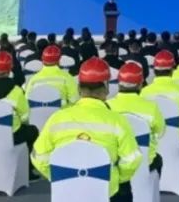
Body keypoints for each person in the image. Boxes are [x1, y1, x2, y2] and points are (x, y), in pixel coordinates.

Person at [33, 57, 142, 201]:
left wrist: (59, 176)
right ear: (106, 88)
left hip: (66, 191)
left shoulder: (57, 119)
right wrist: (116, 177)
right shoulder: (117, 121)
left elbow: (39, 157)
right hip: (107, 192)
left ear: (79, 88)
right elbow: (132, 159)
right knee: (125, 189)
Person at [141, 50, 179, 169]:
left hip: (151, 137)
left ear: (154, 70)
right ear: (172, 69)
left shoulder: (144, 92)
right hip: (178, 136)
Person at [107, 61, 164, 175]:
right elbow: (160, 132)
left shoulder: (107, 106)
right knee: (158, 159)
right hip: (145, 161)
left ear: (119, 84)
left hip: (115, 162)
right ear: (140, 84)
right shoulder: (151, 107)